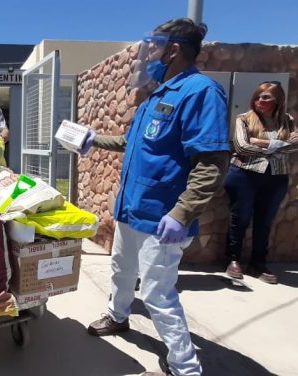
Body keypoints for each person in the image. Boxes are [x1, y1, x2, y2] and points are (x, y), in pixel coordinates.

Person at [79, 18, 231, 376]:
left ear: (174, 50)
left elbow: (210, 163)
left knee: (158, 294)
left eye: (154, 48)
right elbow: (132, 143)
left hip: (162, 219)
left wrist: (182, 214)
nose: (148, 56)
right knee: (121, 270)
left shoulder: (200, 92)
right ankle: (118, 317)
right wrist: (92, 139)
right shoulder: (158, 95)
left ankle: (185, 366)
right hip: (132, 211)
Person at [224, 81, 298, 284]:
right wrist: (279, 145)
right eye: (257, 96)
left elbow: (295, 145)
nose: (259, 101)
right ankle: (232, 259)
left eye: (265, 97)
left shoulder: (287, 121)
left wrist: (263, 143)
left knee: (265, 221)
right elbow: (241, 147)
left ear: (277, 100)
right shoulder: (244, 119)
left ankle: (257, 263)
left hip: (276, 177)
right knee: (240, 218)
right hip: (245, 174)